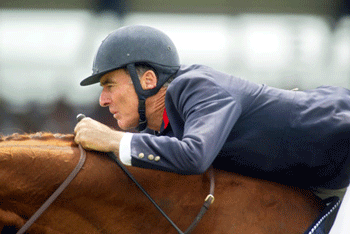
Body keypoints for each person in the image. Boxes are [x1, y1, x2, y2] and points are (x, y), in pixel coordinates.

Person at [74, 25, 350, 196]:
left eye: (109, 85)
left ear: (148, 80)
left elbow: (194, 156)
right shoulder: (163, 126)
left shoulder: (194, 86)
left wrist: (115, 140)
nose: (103, 100)